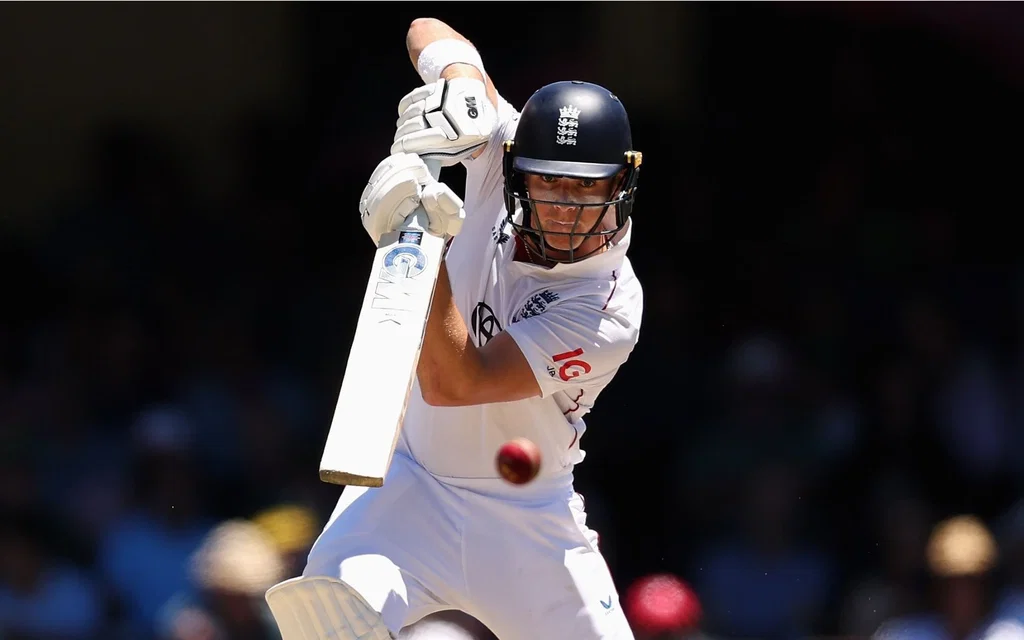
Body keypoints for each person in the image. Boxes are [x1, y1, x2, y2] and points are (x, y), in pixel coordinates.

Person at [265, 17, 644, 640]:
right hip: (411, 484)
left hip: (528, 520)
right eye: (547, 181)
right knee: (328, 613)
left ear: (621, 185)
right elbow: (425, 28)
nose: (563, 209)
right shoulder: (502, 147)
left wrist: (414, 239)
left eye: (585, 189)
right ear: (517, 168)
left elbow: (456, 383)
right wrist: (462, 84)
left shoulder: (608, 307)